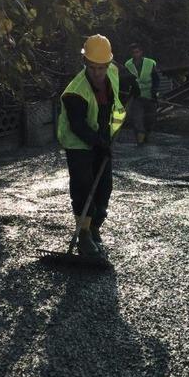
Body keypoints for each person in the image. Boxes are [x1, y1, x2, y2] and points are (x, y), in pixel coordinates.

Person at [57, 34, 127, 257]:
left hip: (101, 137)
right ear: (85, 63)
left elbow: (119, 86)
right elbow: (78, 126)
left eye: (102, 68)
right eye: (93, 68)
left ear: (108, 64)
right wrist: (99, 144)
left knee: (104, 185)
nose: (98, 73)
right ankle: (84, 234)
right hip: (78, 143)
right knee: (83, 186)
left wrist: (131, 86)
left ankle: (95, 226)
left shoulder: (112, 72)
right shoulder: (74, 92)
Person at [123, 43, 160, 145]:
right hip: (136, 96)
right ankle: (140, 142)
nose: (136, 54)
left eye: (137, 52)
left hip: (150, 96)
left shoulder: (150, 63)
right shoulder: (128, 65)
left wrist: (154, 90)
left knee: (150, 120)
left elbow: (156, 79)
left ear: (141, 52)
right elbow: (126, 80)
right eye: (133, 52)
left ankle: (146, 137)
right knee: (137, 120)